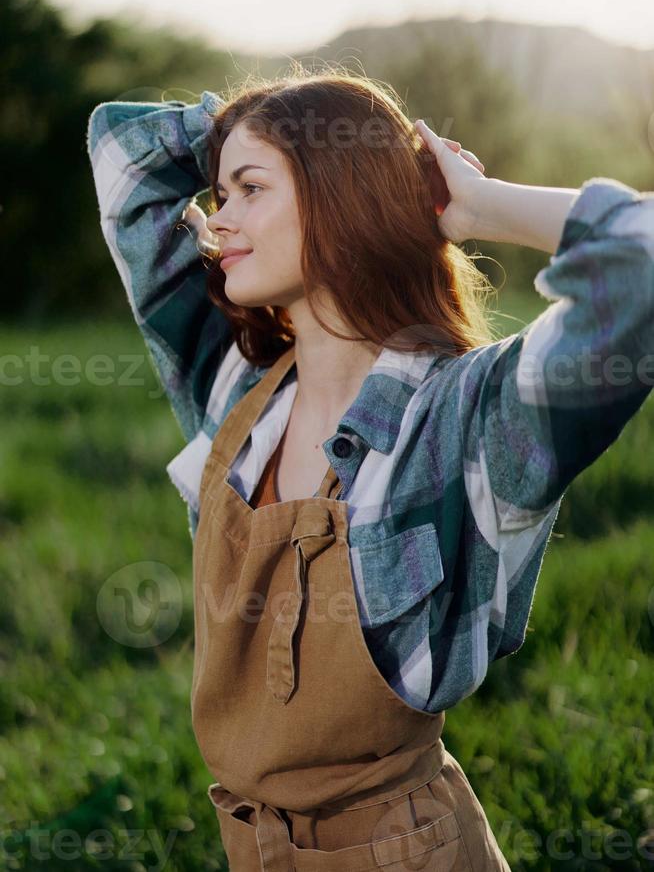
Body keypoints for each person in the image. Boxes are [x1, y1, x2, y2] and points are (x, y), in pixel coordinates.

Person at [86, 69, 654, 871]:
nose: (219, 223)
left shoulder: (467, 418)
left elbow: (645, 265)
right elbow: (121, 153)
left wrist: (476, 204)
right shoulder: (240, 393)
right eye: (218, 195)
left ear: (340, 195)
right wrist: (255, 128)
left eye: (250, 189)